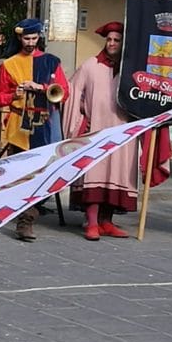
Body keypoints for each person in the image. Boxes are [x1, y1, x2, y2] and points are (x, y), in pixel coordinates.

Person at [62, 22, 138, 241]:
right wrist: (77, 125)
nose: (112, 43)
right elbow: (73, 92)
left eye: (117, 40)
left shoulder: (131, 70)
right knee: (95, 174)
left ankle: (107, 222)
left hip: (123, 131)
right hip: (96, 130)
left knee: (116, 174)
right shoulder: (91, 65)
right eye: (109, 40)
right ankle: (92, 223)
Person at [0, 18, 69, 241]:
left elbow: (64, 91)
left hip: (46, 124)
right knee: (22, 174)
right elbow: (0, 98)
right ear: (19, 38)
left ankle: (28, 213)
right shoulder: (9, 64)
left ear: (39, 38)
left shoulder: (51, 61)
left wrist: (41, 87)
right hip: (20, 127)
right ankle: (25, 219)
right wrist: (14, 95)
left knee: (47, 172)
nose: (30, 42)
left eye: (34, 38)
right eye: (26, 38)